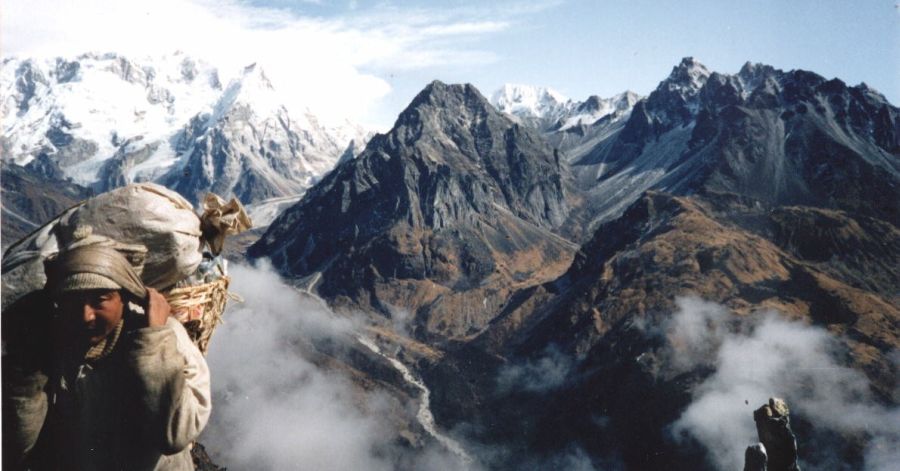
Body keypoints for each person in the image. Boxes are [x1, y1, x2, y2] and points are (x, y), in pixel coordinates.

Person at [2, 243, 211, 470]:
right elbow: (18, 447)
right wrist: (26, 373)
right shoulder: (53, 344)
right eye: (73, 300)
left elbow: (174, 435)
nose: (86, 316)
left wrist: (152, 344)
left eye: (100, 299)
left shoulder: (164, 336)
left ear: (124, 296)